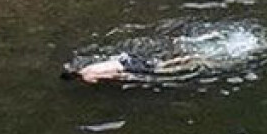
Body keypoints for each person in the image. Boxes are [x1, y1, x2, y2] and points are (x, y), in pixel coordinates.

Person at [62, 52, 200, 84]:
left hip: (127, 68)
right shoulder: (87, 67)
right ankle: (185, 58)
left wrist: (127, 78)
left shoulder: (87, 77)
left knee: (159, 71)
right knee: (159, 65)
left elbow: (110, 75)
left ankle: (189, 63)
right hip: (125, 59)